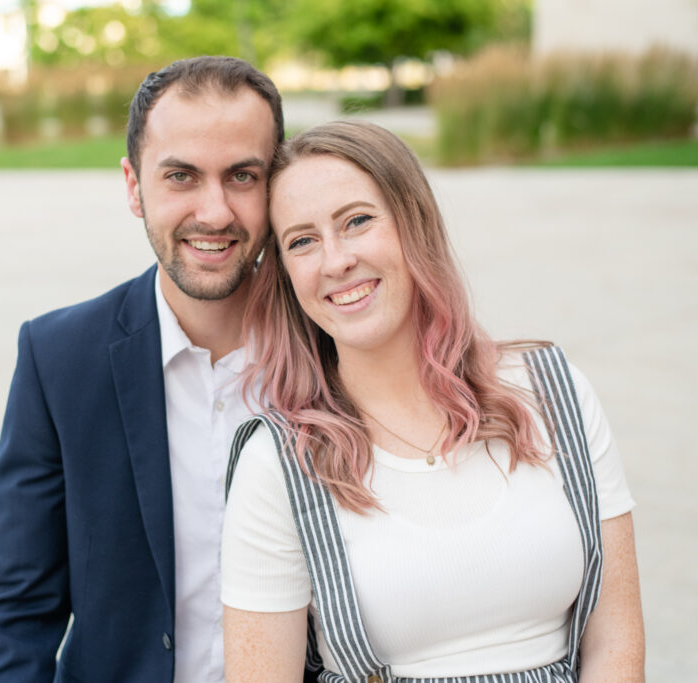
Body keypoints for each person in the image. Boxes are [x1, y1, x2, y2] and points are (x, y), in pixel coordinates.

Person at [220, 121, 645, 682]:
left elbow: (615, 639)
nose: (336, 259)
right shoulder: (279, 462)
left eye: (358, 221)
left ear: (414, 223)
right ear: (286, 275)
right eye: (302, 240)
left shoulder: (550, 390)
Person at [0, 56, 284, 683]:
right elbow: (21, 609)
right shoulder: (57, 356)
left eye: (243, 176)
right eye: (181, 176)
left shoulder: (334, 348)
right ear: (133, 186)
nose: (216, 212)